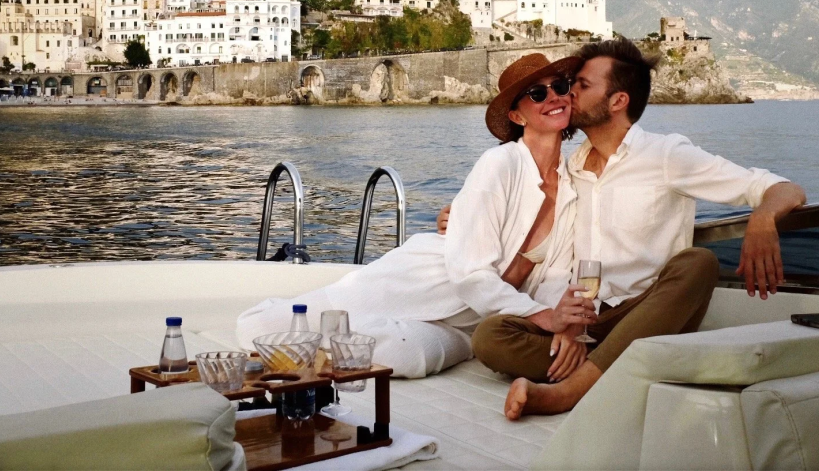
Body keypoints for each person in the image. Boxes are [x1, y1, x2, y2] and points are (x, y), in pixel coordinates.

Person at [438, 38, 806, 418]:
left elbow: (782, 188)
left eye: (579, 86)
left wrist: (762, 219)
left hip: (646, 314)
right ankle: (619, 367)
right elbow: (551, 244)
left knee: (699, 263)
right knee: (490, 337)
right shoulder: (572, 168)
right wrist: (568, 326)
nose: (567, 95)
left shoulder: (666, 155)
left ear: (617, 101)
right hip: (592, 319)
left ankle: (568, 392)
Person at [237, 53, 593, 378]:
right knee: (256, 327)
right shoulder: (500, 164)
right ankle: (328, 327)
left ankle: (333, 343)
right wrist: (539, 316)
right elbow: (469, 273)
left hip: (472, 320)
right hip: (423, 279)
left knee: (407, 357)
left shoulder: (571, 185)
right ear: (517, 115)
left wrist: (563, 323)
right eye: (537, 94)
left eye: (559, 87)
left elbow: (557, 275)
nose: (553, 98)